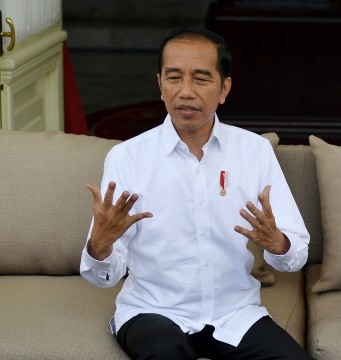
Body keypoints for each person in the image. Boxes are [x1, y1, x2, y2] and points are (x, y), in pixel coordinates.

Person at [80, 27, 313, 360]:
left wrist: (278, 243)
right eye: (174, 78)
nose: (185, 91)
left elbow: (297, 254)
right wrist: (100, 247)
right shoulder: (127, 158)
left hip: (236, 315)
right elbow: (103, 275)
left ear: (224, 88)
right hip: (152, 312)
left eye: (201, 79)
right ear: (160, 84)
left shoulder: (255, 152)